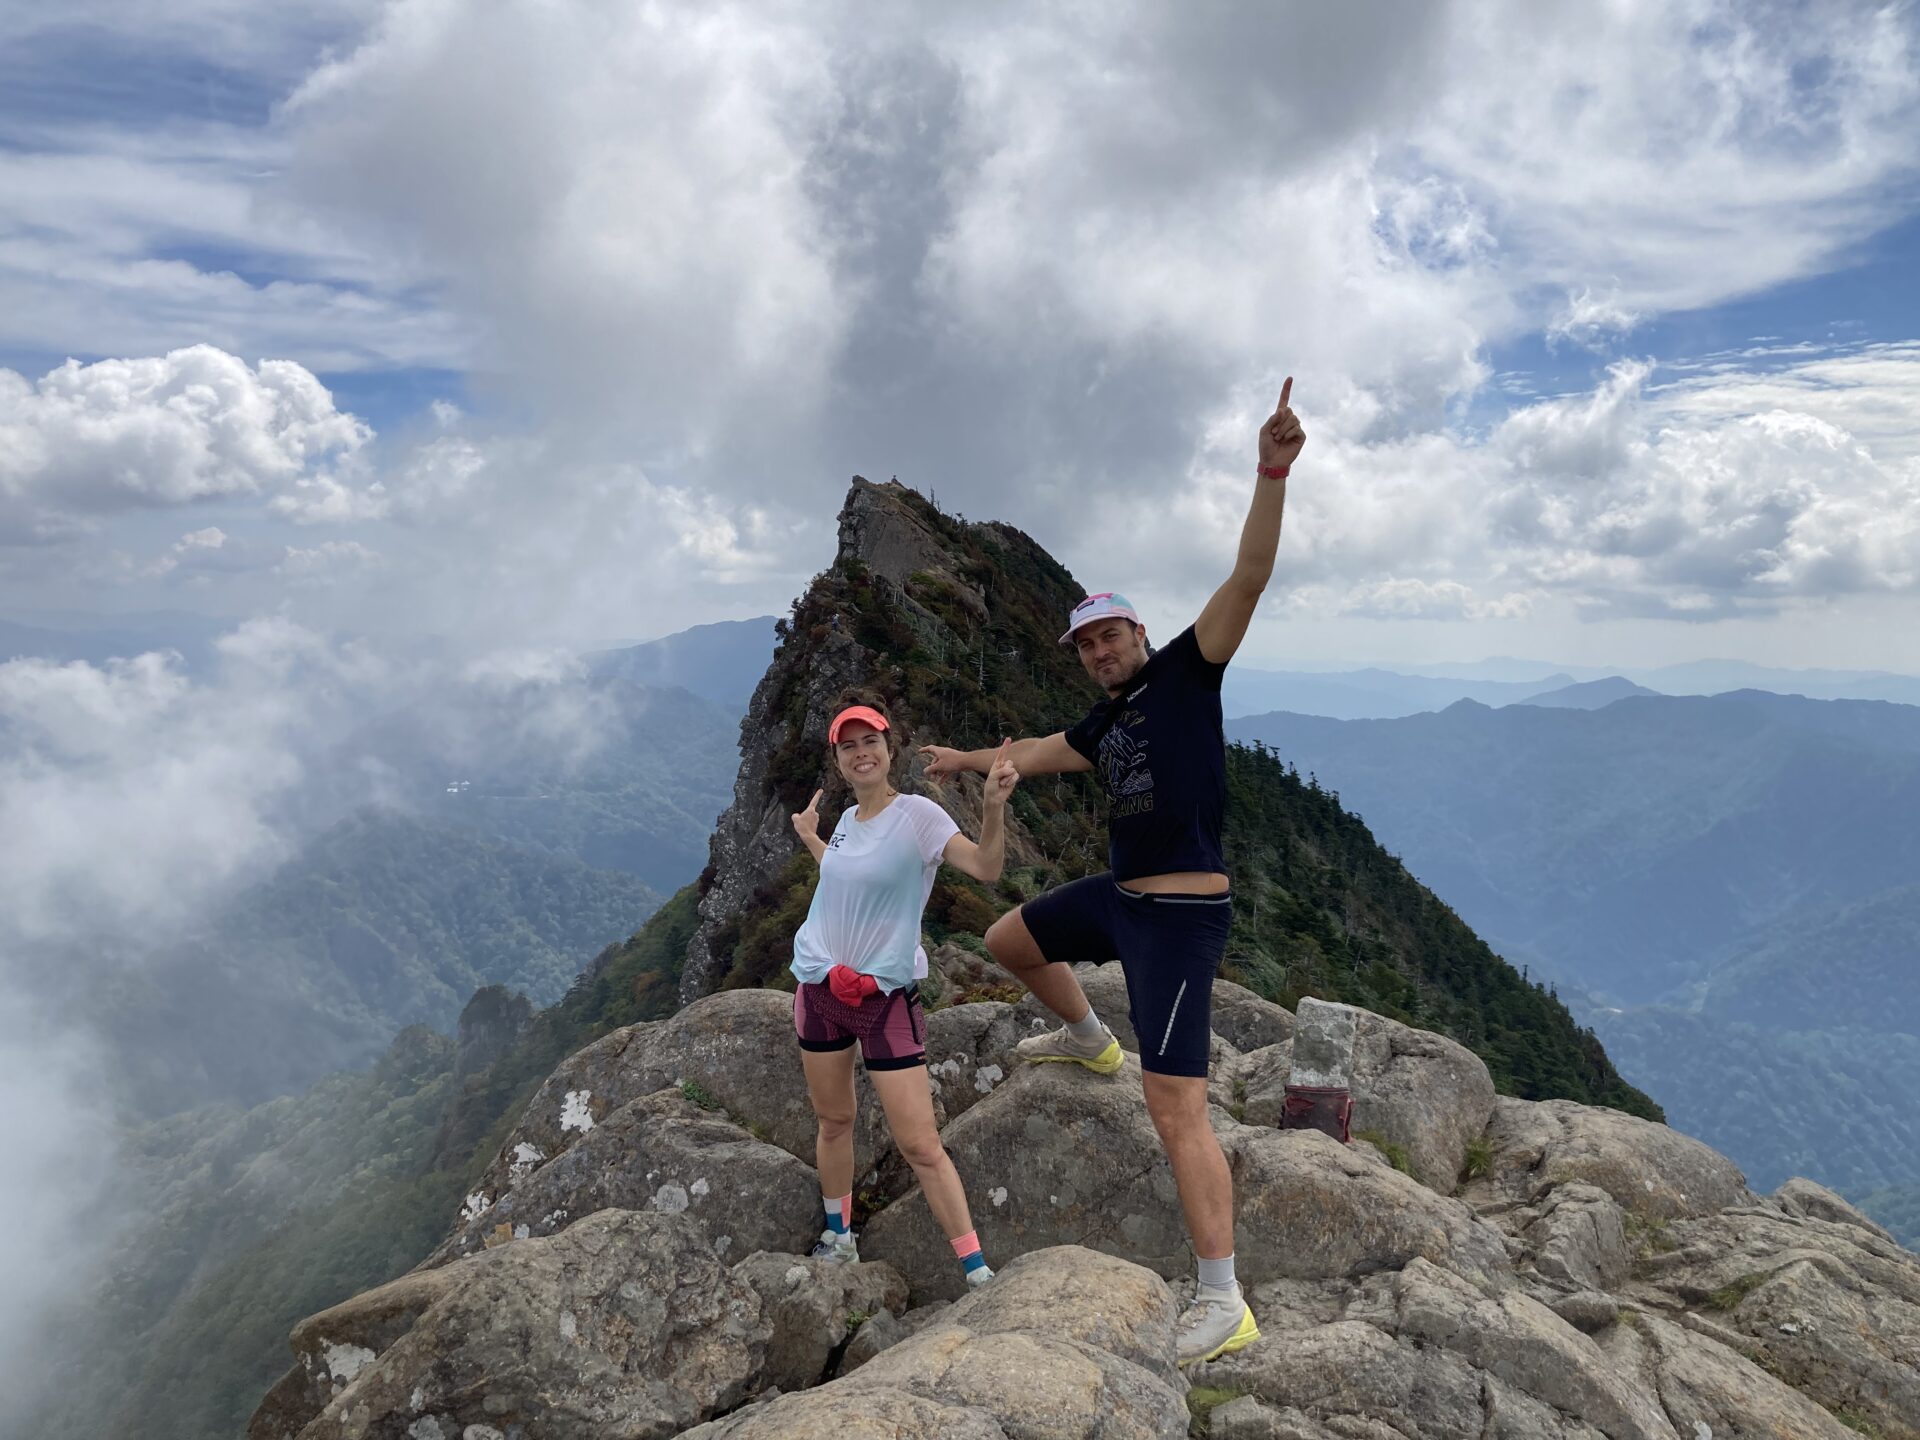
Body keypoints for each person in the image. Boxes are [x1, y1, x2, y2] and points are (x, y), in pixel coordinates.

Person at [919, 378, 1306, 1364]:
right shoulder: (1107, 718)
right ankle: (1091, 1041)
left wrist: (1270, 472)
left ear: (1141, 633)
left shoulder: (1188, 669)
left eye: (1110, 635)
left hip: (1177, 919)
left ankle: (1224, 1300)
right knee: (1009, 939)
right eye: (1086, 644)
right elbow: (1048, 747)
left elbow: (1251, 575)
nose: (1099, 652)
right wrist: (968, 763)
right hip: (1120, 905)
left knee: (1175, 1108)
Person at [789, 690, 1020, 1289]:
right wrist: (811, 838)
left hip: (882, 999)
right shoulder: (844, 821)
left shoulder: (919, 815)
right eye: (849, 746)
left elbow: (986, 868)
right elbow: (846, 880)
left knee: (920, 1143)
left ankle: (975, 1271)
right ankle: (839, 1238)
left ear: (890, 750)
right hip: (819, 989)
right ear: (837, 760)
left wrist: (993, 806)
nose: (861, 754)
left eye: (871, 742)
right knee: (833, 1120)